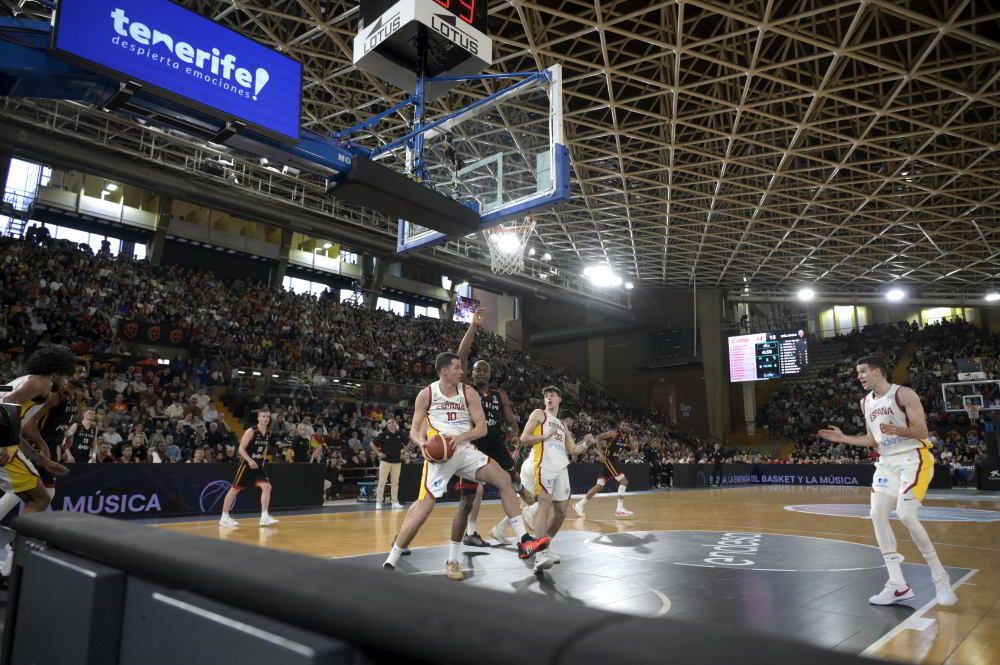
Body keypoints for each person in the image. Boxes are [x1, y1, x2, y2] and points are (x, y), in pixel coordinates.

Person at [383, 352, 548, 580]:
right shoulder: (426, 395)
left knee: (504, 479)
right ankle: (392, 557)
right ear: (444, 371)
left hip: (465, 451)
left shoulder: (468, 392)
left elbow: (481, 428)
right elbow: (414, 429)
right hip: (439, 458)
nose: (462, 371)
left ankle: (524, 541)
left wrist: (460, 438)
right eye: (458, 367)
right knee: (423, 510)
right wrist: (421, 443)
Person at [818, 356, 957, 606]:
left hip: (914, 459)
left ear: (877, 371)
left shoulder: (903, 394)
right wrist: (843, 438)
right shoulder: (865, 402)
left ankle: (940, 577)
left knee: (905, 514)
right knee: (877, 514)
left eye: (862, 371)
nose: (858, 376)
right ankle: (897, 585)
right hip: (887, 463)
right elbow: (873, 439)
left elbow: (923, 432)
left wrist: (900, 430)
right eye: (857, 373)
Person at [453, 310, 524, 548]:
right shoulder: (466, 390)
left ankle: (524, 520)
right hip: (473, 444)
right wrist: (473, 326)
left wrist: (515, 434)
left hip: (495, 443)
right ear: (470, 373)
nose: (481, 372)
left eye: (485, 370)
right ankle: (471, 533)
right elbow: (461, 356)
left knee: (514, 479)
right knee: (472, 494)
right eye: (477, 369)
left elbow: (510, 420)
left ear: (491, 373)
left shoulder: (499, 394)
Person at [517, 388, 593, 572]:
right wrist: (543, 436)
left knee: (561, 512)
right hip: (544, 465)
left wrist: (586, 444)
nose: (548, 398)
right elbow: (524, 438)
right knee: (544, 506)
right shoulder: (539, 414)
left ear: (559, 399)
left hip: (561, 468)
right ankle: (539, 555)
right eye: (546, 395)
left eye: (552, 395)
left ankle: (546, 546)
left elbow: (573, 450)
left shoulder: (561, 424)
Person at [218, 410, 279, 527]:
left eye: (268, 416)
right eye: (263, 416)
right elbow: (241, 449)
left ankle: (264, 517)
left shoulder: (268, 432)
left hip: (258, 465)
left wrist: (264, 459)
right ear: (258, 418)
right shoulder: (251, 431)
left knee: (267, 486)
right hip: (246, 464)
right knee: (235, 489)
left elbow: (264, 447)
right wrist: (250, 460)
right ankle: (224, 517)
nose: (266, 418)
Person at [574, 421, 634, 517]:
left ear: (629, 428)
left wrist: (630, 444)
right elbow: (597, 438)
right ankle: (619, 509)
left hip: (613, 462)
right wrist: (601, 454)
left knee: (599, 485)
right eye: (623, 425)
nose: (625, 427)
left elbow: (632, 449)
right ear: (620, 426)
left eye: (627, 425)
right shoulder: (613, 433)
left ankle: (579, 504)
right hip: (608, 461)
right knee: (624, 481)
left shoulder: (626, 438)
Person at [371, 418, 406, 509]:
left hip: (397, 462)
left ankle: (394, 502)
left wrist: (404, 452)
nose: (391, 424)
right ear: (387, 425)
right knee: (382, 482)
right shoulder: (383, 434)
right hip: (385, 461)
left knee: (395, 483)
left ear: (395, 423)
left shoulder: (399, 434)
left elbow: (407, 442)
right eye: (389, 423)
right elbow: (372, 443)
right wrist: (378, 453)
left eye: (392, 422)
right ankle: (378, 502)